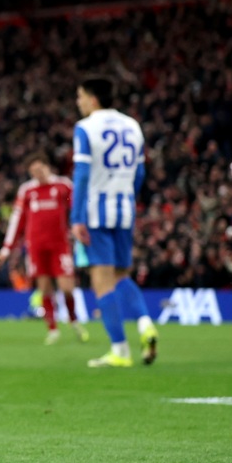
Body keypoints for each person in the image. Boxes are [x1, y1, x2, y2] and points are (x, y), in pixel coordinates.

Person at [69, 76, 158, 368]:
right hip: (124, 209)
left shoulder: (85, 128)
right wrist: (127, 196)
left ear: (93, 99)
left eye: (80, 96)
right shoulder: (132, 125)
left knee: (102, 280)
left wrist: (76, 217)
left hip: (96, 211)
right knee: (121, 274)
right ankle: (145, 324)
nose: (78, 102)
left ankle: (120, 350)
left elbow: (81, 174)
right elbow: (141, 174)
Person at [0, 157, 88, 346]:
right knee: (45, 288)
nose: (37, 174)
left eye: (40, 169)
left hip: (60, 246)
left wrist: (82, 228)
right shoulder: (27, 191)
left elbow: (77, 206)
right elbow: (17, 219)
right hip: (36, 247)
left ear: (48, 167)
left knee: (66, 288)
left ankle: (73, 320)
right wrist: (7, 248)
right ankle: (53, 329)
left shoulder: (64, 186)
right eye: (33, 172)